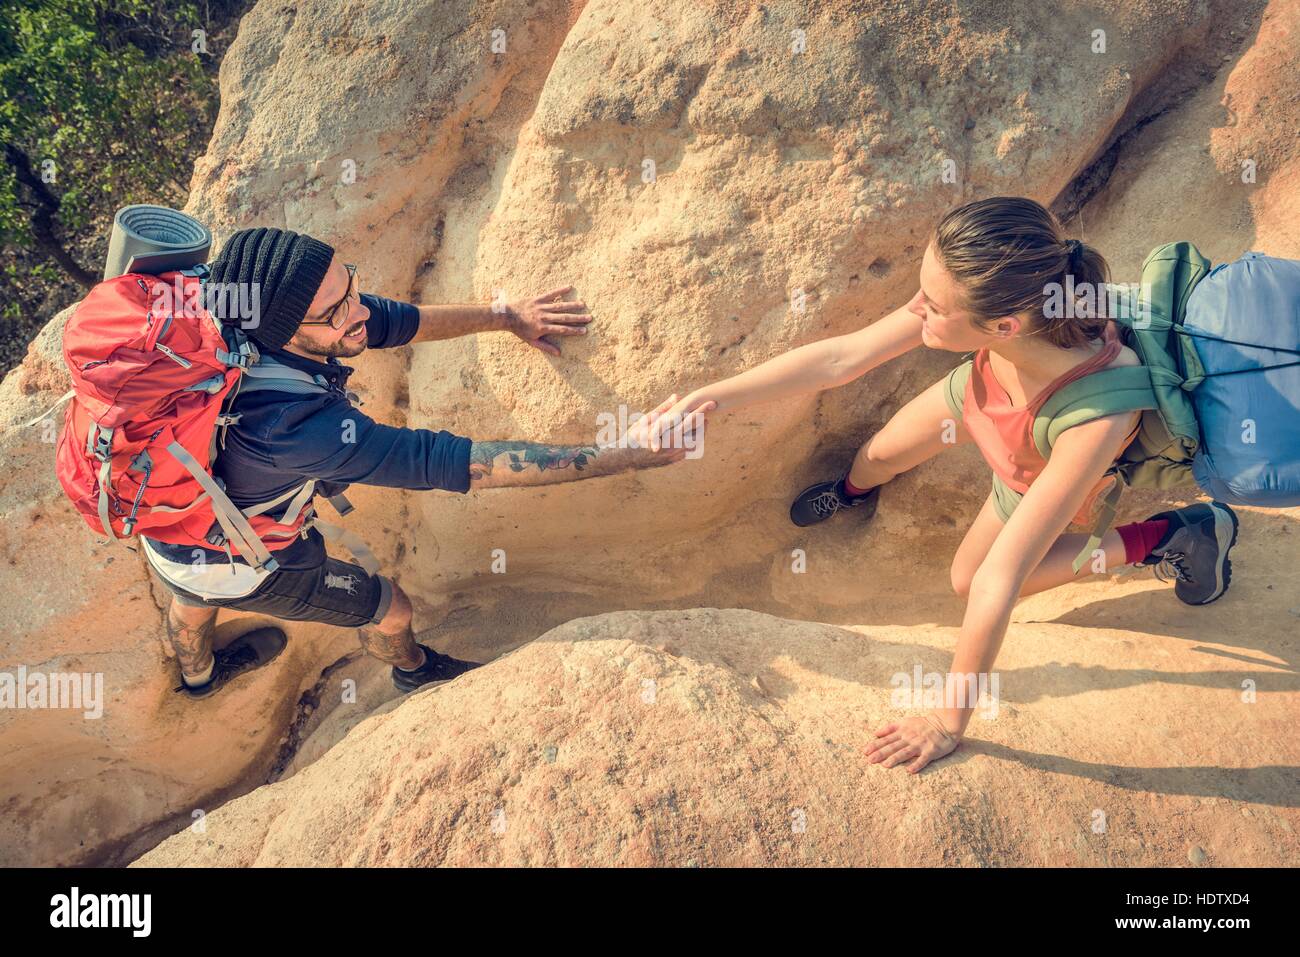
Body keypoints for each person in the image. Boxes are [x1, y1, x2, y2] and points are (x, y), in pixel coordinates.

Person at [653, 196, 1237, 773]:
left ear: (1002, 326)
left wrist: (945, 722)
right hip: (982, 393)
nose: (915, 309)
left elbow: (1000, 581)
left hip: (1029, 468)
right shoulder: (1004, 309)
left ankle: (1173, 535)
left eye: (931, 305)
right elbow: (841, 360)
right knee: (879, 453)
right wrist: (709, 400)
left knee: (970, 578)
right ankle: (853, 493)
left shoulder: (1100, 417)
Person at [145, 227, 710, 700]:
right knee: (390, 607)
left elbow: (393, 321)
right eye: (336, 312)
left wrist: (506, 315)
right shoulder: (296, 429)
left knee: (190, 595)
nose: (359, 310)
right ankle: (414, 671)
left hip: (166, 515)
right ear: (288, 333)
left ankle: (198, 677)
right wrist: (626, 454)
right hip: (238, 562)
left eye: (352, 286)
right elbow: (455, 462)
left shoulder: (221, 309)